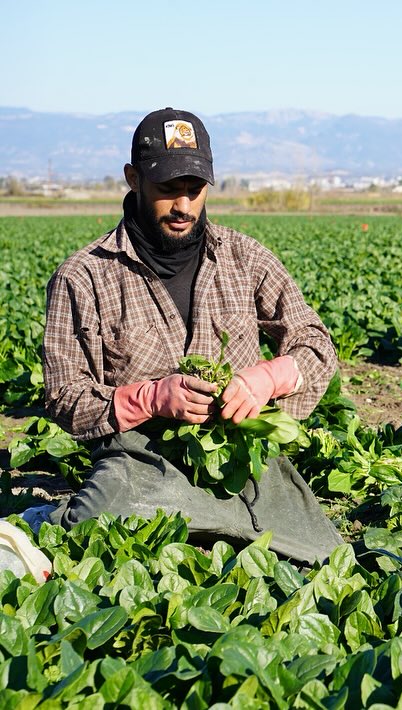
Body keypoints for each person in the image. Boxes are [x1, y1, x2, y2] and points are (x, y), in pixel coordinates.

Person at [43, 108, 344, 564]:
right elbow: (64, 397)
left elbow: (316, 344)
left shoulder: (246, 259)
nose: (183, 206)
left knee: (323, 556)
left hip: (239, 459)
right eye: (168, 190)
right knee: (91, 535)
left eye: (195, 190)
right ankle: (42, 517)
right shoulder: (83, 277)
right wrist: (149, 399)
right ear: (133, 178)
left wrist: (270, 378)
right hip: (143, 463)